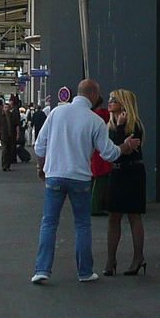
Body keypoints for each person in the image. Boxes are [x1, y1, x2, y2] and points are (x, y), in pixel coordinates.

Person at [32, 79, 140, 284]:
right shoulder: (95, 121)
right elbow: (109, 153)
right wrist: (125, 146)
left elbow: (39, 146)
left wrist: (41, 168)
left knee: (49, 223)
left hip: (54, 175)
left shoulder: (56, 113)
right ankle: (84, 272)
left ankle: (42, 270)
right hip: (80, 178)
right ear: (93, 96)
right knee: (81, 224)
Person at [101, 89, 148, 277]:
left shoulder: (133, 124)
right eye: (110, 99)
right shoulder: (109, 126)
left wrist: (121, 130)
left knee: (133, 215)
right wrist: (122, 143)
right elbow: (114, 149)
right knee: (113, 216)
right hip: (117, 172)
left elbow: (123, 150)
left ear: (124, 104)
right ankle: (110, 260)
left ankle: (138, 258)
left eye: (114, 100)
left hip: (132, 172)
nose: (110, 102)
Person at [0, 96, 21, 170]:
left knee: (10, 151)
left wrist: (17, 134)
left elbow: (17, 126)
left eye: (7, 107)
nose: (6, 109)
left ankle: (8, 165)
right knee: (5, 151)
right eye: (5, 107)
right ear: (3, 108)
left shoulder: (13, 116)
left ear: (10, 108)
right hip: (4, 136)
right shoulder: (1, 116)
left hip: (11, 136)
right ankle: (4, 165)